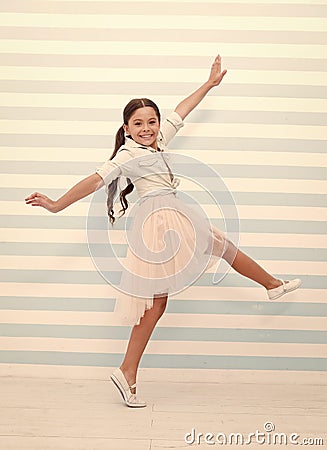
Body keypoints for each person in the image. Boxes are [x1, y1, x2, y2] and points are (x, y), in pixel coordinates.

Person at [25, 55, 301, 408]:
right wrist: (56, 204)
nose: (147, 128)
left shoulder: (160, 142)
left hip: (173, 213)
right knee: (163, 296)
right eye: (138, 124)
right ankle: (128, 370)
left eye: (151, 122)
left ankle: (271, 286)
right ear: (126, 128)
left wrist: (208, 84)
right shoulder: (127, 155)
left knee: (178, 284)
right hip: (160, 221)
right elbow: (94, 180)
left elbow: (180, 112)